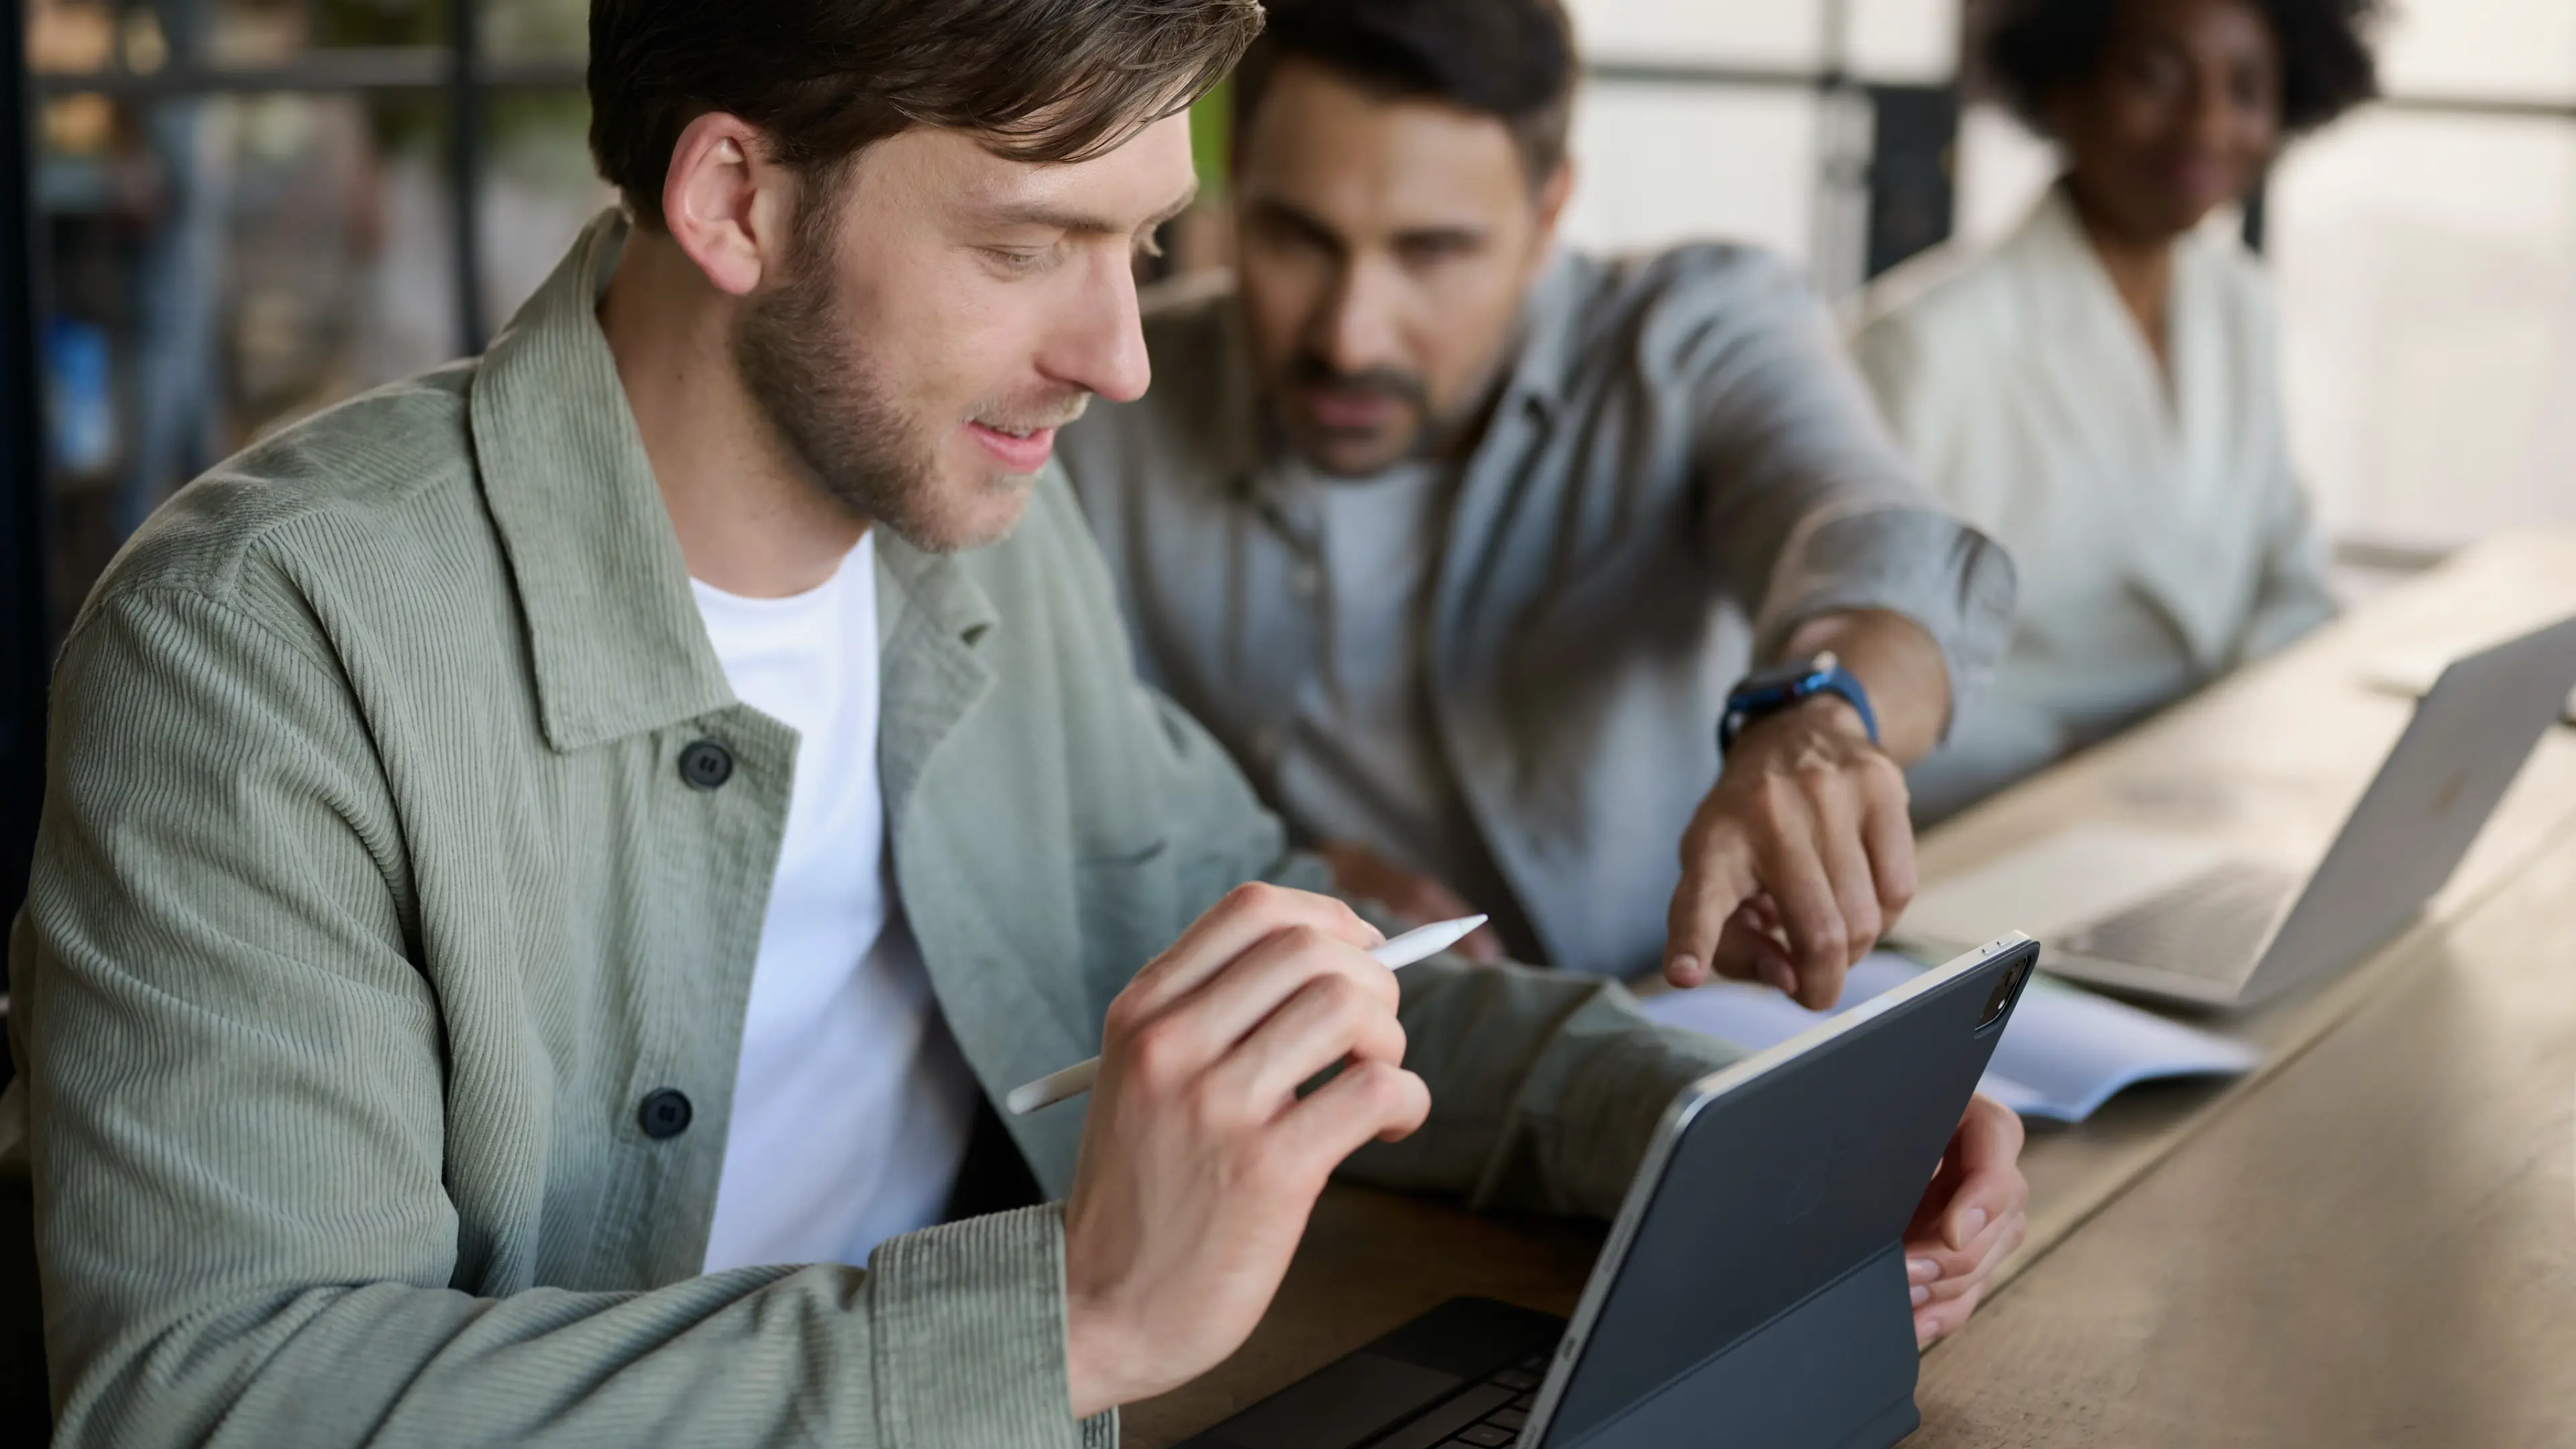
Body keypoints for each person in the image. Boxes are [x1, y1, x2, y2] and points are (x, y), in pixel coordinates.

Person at [1, 2, 2023, 1443]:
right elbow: (220, 1397)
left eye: (1140, 245)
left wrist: (1721, 1123)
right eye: (1025, 243)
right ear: (736, 202)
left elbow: (1259, 953)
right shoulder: (264, 649)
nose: (1123, 355)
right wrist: (1061, 1324)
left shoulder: (970, 536)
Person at [1058, 0, 2016, 1008]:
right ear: (1232, 186)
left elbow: (1871, 534)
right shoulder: (1101, 408)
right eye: (1296, 237)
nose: (1350, 335)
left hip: (1691, 1024)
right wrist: (1257, 873)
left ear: (1550, 211)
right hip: (1331, 1084)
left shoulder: (1692, 335)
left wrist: (1820, 711)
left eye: (1431, 251)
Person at [1854, 0, 2381, 822]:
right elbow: (1852, 673)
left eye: (2247, 88)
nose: (2207, 123)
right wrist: (2097, 767)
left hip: (2219, 800)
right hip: (1999, 828)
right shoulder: (1919, 346)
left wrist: (2257, 726)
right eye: (2156, 77)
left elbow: (2290, 574)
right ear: (2066, 86)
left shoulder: (2240, 306)